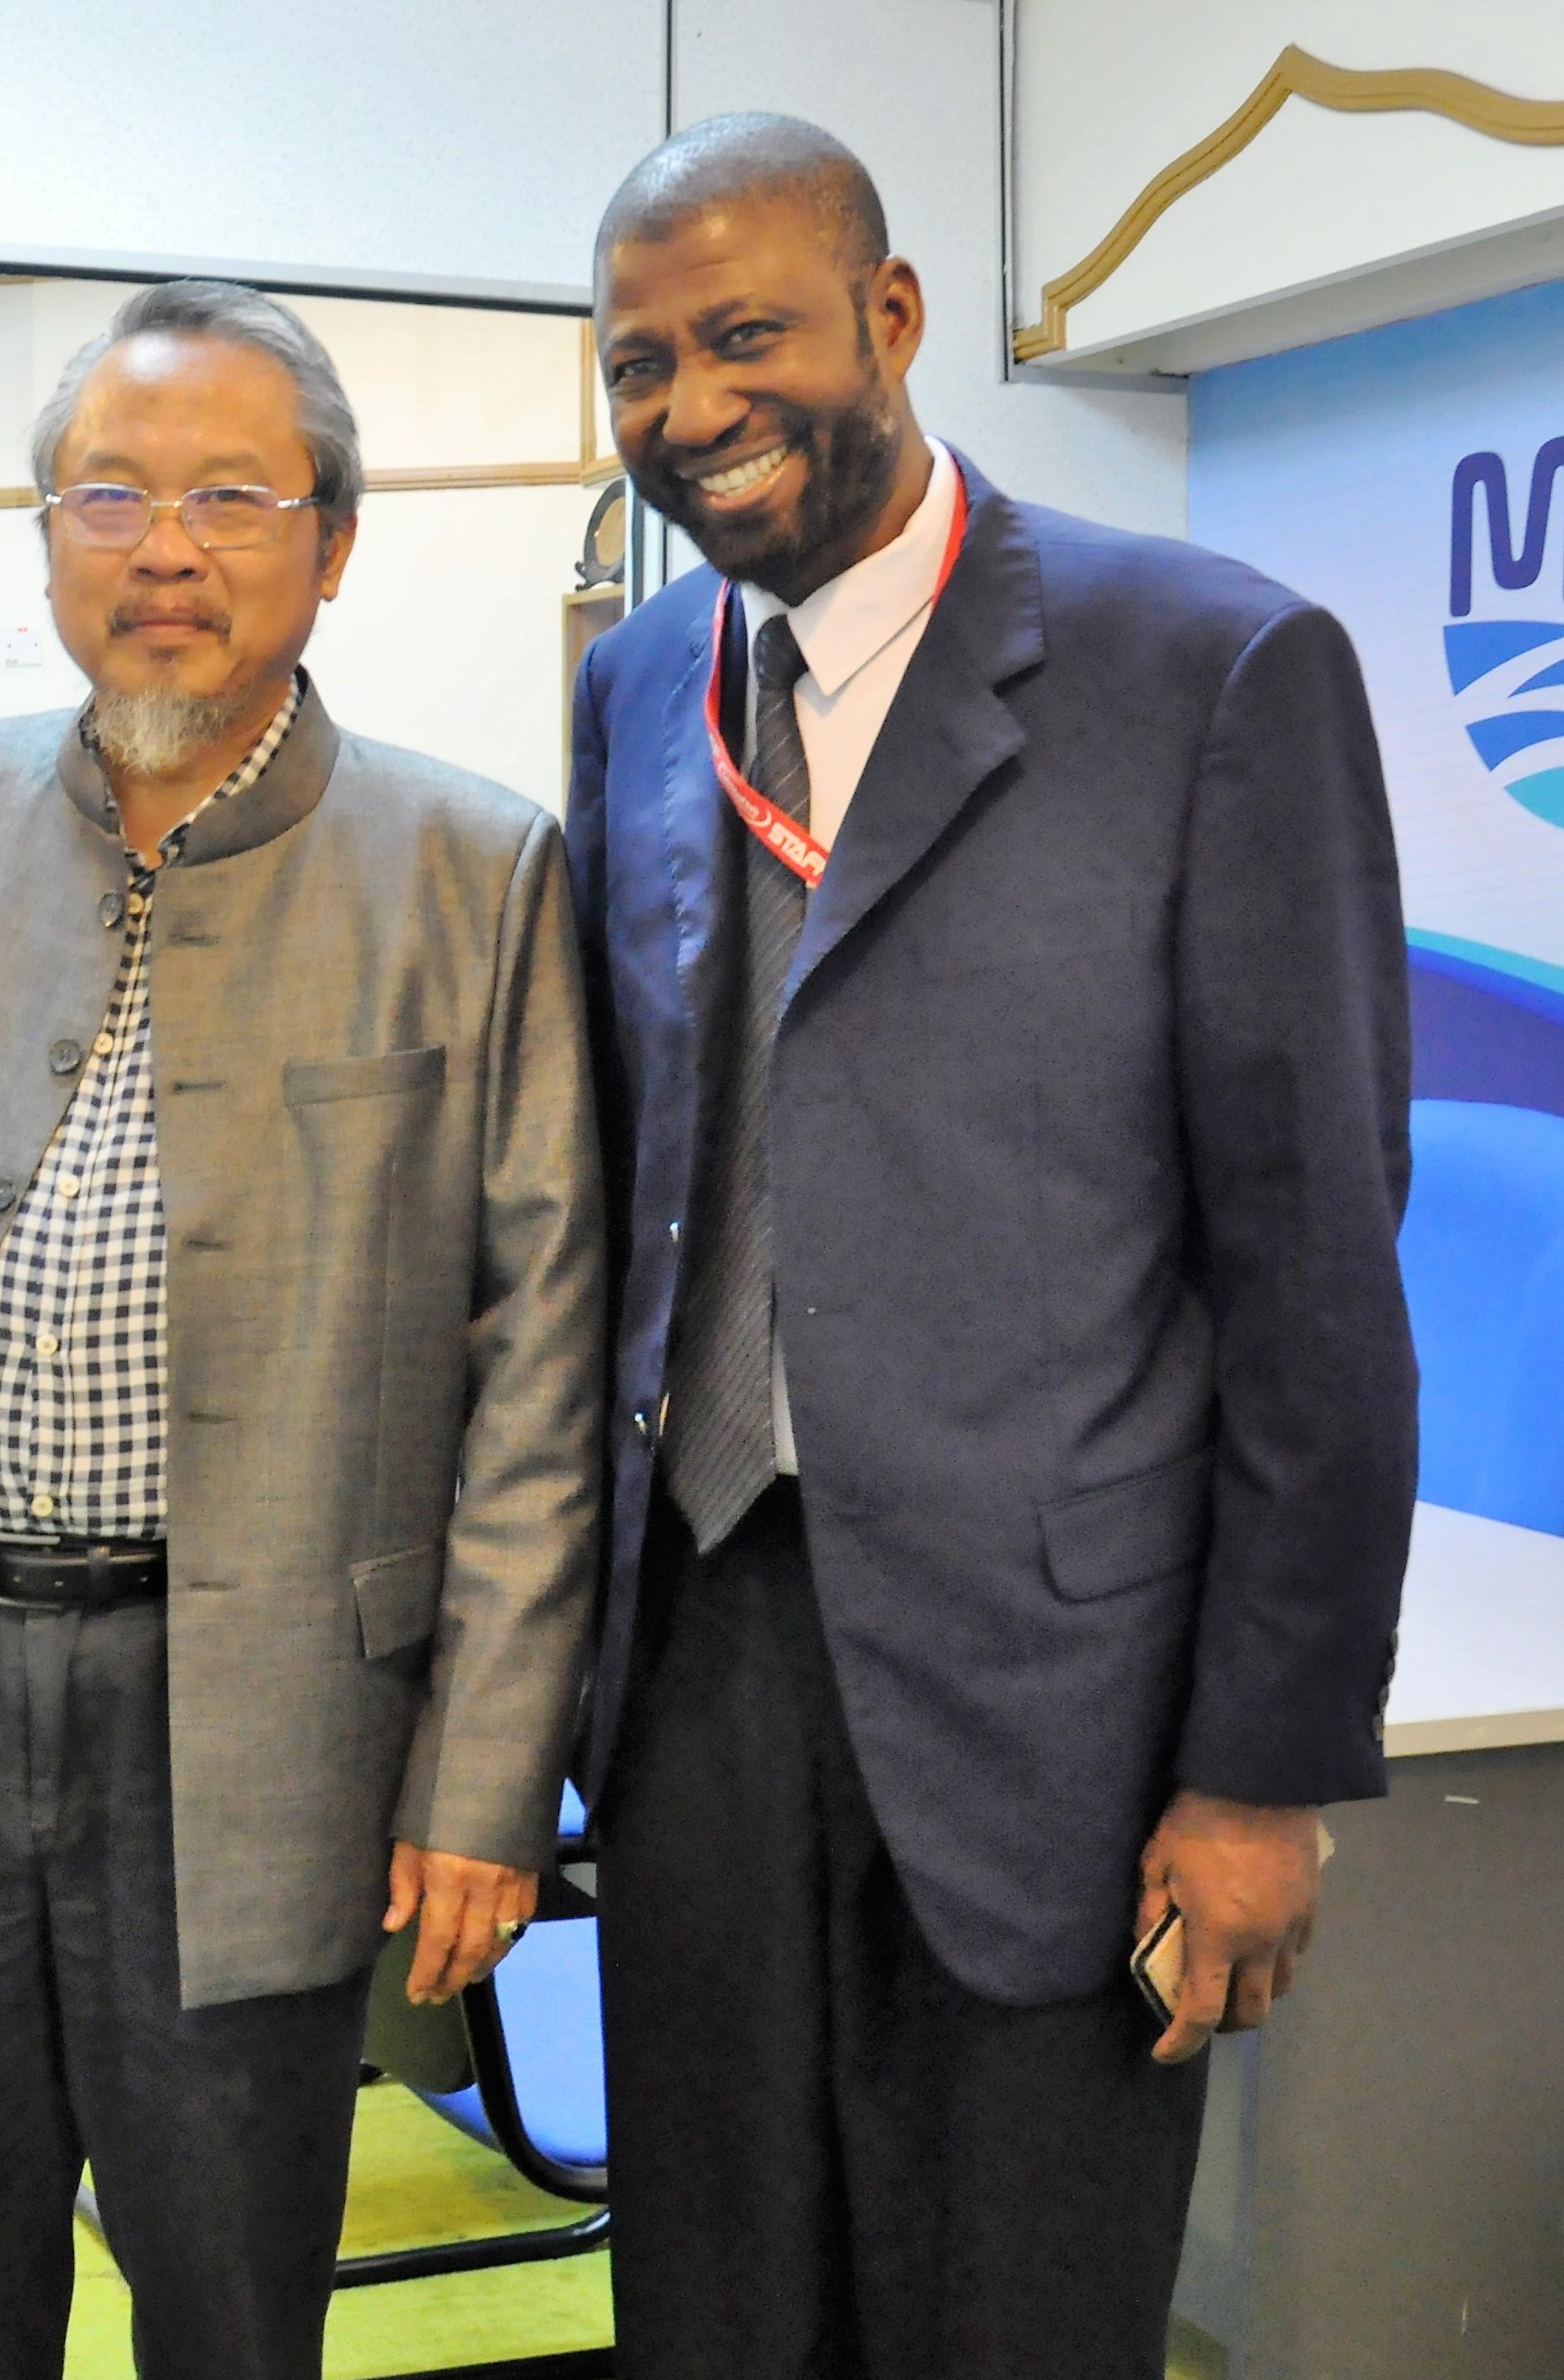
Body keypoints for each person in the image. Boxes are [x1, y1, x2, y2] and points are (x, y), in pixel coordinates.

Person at [571, 117, 1414, 2378]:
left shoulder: (1209, 666)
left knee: (1016, 2323)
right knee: (716, 2319)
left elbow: (1318, 1272)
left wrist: (1263, 1768)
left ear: (894, 316)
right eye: (640, 361)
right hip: (703, 1669)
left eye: (747, 335)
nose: (693, 404)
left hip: (1065, 1709)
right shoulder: (642, 687)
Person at [0, 278, 607, 2380]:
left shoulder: (473, 872)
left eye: (229, 497)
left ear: (333, 541)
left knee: (225, 2283)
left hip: (263, 1712)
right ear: (46, 538)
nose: (164, 550)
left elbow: (544, 1378)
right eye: (108, 494)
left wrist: (487, 1777)